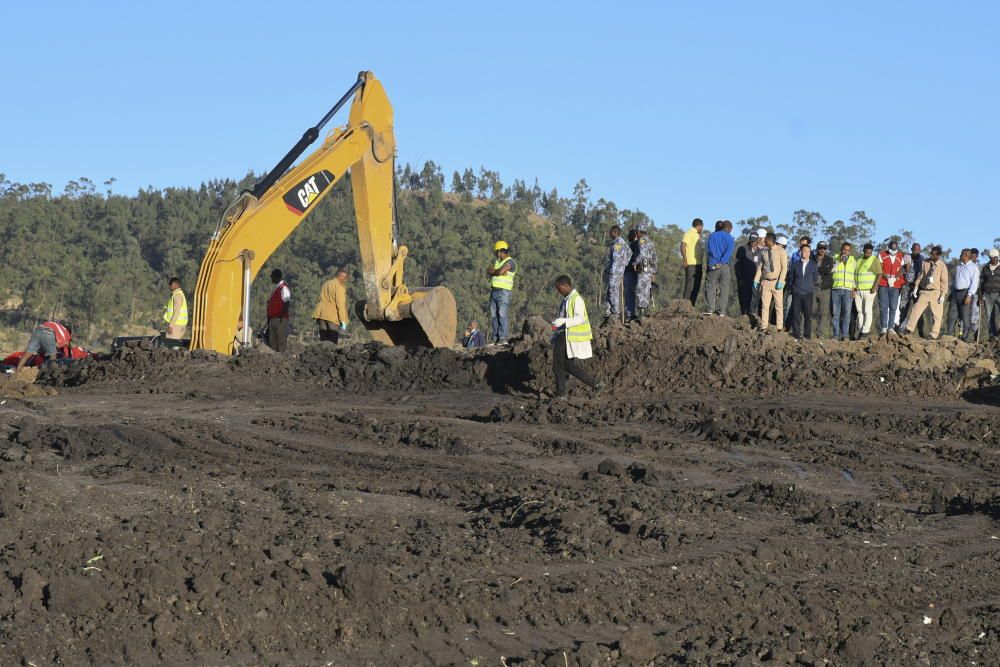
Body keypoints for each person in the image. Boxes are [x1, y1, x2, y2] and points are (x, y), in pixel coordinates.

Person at [550, 275, 602, 398]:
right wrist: (555, 332)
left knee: (557, 365)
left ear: (565, 286)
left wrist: (564, 322)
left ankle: (560, 394)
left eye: (559, 289)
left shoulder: (576, 299)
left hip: (568, 336)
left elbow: (580, 318)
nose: (559, 292)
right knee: (568, 365)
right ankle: (596, 384)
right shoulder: (567, 299)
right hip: (564, 335)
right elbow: (562, 318)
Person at [904, 246, 949, 340]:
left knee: (937, 315)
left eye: (933, 254)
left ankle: (933, 334)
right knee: (916, 310)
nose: (931, 255)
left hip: (936, 292)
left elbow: (944, 281)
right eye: (930, 253)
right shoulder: (925, 262)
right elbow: (921, 275)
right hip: (924, 291)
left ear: (938, 255)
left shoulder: (942, 266)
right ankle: (909, 329)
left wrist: (943, 294)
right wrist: (916, 287)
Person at [753, 232, 788, 333]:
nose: (764, 242)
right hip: (765, 282)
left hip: (777, 282)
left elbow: (784, 267)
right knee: (765, 305)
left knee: (779, 306)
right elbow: (760, 267)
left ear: (770, 240)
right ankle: (764, 326)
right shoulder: (763, 252)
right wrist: (756, 279)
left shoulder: (781, 251)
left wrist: (781, 280)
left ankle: (779, 327)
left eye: (765, 240)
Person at [486, 241, 517, 345]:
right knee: (494, 316)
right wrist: (497, 271)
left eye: (496, 252)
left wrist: (496, 271)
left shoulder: (511, 262)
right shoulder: (497, 262)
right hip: (494, 291)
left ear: (500, 251)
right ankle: (495, 338)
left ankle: (503, 339)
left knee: (502, 315)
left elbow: (498, 271)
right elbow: (489, 270)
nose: (496, 254)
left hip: (503, 292)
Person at [602, 225, 632, 325]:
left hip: (615, 271)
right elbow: (629, 252)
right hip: (615, 270)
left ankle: (615, 312)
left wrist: (617, 268)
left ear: (615, 233)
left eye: (611, 232)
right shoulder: (619, 242)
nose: (610, 234)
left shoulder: (618, 243)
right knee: (611, 291)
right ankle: (609, 310)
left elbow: (615, 259)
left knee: (613, 291)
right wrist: (625, 262)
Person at [627, 222, 657, 323]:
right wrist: (654, 271)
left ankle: (642, 311)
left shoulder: (642, 241)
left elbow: (642, 254)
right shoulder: (651, 242)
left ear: (638, 232)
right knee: (646, 289)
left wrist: (634, 263)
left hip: (643, 268)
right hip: (649, 269)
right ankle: (645, 309)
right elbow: (655, 257)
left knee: (640, 289)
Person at [786, 244, 818, 339]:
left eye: (809, 251)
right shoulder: (795, 265)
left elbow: (815, 278)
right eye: (805, 251)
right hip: (797, 292)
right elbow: (790, 277)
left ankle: (807, 335)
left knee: (808, 315)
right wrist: (793, 288)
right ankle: (796, 334)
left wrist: (810, 286)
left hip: (808, 293)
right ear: (801, 252)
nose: (807, 253)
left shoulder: (813, 264)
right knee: (796, 314)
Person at [947, 248, 979, 342]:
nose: (959, 256)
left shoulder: (973, 268)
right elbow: (955, 281)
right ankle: (949, 336)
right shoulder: (958, 267)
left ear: (965, 255)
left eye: (961, 254)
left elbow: (974, 283)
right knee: (951, 315)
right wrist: (951, 292)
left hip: (965, 293)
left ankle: (965, 338)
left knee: (965, 317)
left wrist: (969, 295)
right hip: (955, 293)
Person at [703, 220, 735, 316]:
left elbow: (710, 249)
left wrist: (717, 261)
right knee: (724, 287)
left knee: (710, 286)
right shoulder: (730, 238)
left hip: (713, 264)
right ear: (729, 228)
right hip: (724, 266)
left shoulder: (712, 236)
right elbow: (729, 252)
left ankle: (710, 309)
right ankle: (721, 311)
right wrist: (721, 262)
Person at [312, 268, 350, 343]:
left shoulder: (326, 284)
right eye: (345, 278)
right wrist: (343, 320)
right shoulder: (339, 286)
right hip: (333, 318)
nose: (345, 281)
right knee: (332, 343)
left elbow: (320, 299)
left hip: (322, 316)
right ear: (340, 276)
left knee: (323, 342)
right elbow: (340, 305)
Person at [877, 241, 905, 338]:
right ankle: (884, 327)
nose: (893, 250)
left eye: (895, 248)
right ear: (888, 247)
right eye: (892, 248)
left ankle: (891, 327)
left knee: (893, 306)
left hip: (895, 284)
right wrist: (887, 278)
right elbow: (880, 269)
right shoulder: (882, 255)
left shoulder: (900, 256)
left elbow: (901, 268)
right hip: (884, 283)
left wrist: (895, 277)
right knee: (883, 307)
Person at [831, 242, 857, 341]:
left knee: (846, 313)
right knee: (835, 313)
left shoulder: (853, 260)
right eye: (844, 250)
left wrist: (853, 288)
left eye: (847, 250)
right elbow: (832, 271)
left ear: (850, 251)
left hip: (848, 290)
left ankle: (845, 335)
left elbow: (854, 275)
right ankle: (835, 335)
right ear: (841, 249)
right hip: (836, 289)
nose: (845, 252)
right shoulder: (835, 258)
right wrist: (839, 262)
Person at [853, 243, 880, 339]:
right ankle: (860, 329)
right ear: (863, 250)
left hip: (869, 290)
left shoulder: (874, 260)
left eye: (870, 253)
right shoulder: (859, 259)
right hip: (858, 289)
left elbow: (879, 274)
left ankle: (865, 331)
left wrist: (874, 286)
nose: (868, 254)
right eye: (866, 252)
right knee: (859, 310)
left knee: (867, 310)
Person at [900, 243, 925, 335]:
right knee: (903, 308)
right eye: (915, 250)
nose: (916, 251)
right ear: (911, 249)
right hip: (907, 286)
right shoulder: (907, 257)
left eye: (918, 250)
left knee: (918, 310)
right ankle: (901, 329)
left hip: (917, 287)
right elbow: (905, 268)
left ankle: (921, 331)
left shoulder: (922, 259)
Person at [734, 231, 761, 318]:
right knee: (743, 299)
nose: (752, 243)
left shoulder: (761, 252)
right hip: (744, 280)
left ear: (758, 241)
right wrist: (740, 279)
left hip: (756, 281)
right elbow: (737, 265)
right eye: (751, 241)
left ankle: (752, 316)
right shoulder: (742, 249)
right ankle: (744, 315)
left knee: (754, 300)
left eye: (754, 241)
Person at [680, 218, 704, 307]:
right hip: (691, 264)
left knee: (696, 287)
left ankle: (691, 306)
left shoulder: (697, 235)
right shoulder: (689, 233)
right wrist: (685, 259)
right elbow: (682, 245)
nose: (702, 229)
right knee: (690, 286)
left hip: (698, 264)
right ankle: (684, 306)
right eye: (702, 227)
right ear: (699, 226)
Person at [266, 269, 291, 352]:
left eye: (272, 277)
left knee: (281, 341)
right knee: (273, 342)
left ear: (276, 277)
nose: (271, 279)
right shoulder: (276, 289)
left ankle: (282, 360)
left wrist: (281, 316)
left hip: (280, 319)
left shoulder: (284, 288)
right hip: (273, 319)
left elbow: (286, 302)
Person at [814, 242, 834, 338]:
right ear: (817, 248)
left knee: (824, 312)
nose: (822, 250)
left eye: (824, 248)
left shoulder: (829, 259)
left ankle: (820, 333)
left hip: (825, 288)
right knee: (808, 310)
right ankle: (807, 331)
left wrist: (819, 269)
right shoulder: (812, 258)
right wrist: (823, 269)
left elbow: (828, 270)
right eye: (820, 248)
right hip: (813, 287)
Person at [979, 249, 1000, 341]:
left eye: (996, 257)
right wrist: (980, 296)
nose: (994, 259)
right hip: (987, 295)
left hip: (999, 294)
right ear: (989, 258)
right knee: (989, 317)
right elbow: (981, 283)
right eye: (992, 258)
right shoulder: (985, 268)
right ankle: (993, 336)